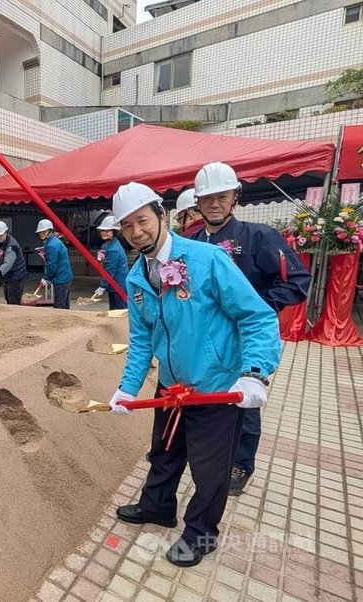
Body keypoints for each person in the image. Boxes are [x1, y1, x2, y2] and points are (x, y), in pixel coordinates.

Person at [108, 182, 281, 567]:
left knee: (210, 470)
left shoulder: (206, 260)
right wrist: (126, 389)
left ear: (162, 216)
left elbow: (257, 317)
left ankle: (201, 534)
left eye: (142, 221)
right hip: (171, 387)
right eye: (127, 226)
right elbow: (141, 342)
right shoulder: (138, 278)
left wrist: (255, 373)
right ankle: (157, 506)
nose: (137, 232)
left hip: (214, 389)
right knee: (164, 454)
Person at [191, 161, 310, 496]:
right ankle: (205, 452)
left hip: (246, 339)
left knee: (244, 398)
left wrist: (256, 308)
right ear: (198, 202)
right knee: (205, 396)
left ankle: (241, 462)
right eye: (207, 198)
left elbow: (297, 282)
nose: (215, 204)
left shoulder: (260, 237)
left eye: (222, 196)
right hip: (203, 339)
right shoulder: (192, 241)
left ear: (235, 198)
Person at [92, 215, 129, 310]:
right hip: (115, 284)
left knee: (119, 312)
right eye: (102, 231)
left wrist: (102, 286)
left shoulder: (113, 249)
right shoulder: (108, 245)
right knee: (113, 311)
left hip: (118, 286)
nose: (104, 233)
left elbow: (110, 270)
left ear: (114, 232)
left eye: (107, 231)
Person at [36, 219, 73, 309]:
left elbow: (52, 265)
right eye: (40, 232)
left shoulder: (51, 245)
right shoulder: (54, 241)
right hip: (66, 276)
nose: (42, 234)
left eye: (44, 232)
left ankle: (60, 322)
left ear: (50, 231)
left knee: (59, 306)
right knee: (65, 304)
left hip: (61, 278)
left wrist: (46, 278)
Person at [0, 220, 27, 305]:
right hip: (8, 276)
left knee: (13, 300)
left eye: (0, 236)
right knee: (8, 297)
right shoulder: (1, 243)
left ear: (6, 232)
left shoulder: (11, 246)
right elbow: (0, 254)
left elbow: (8, 263)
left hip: (16, 276)